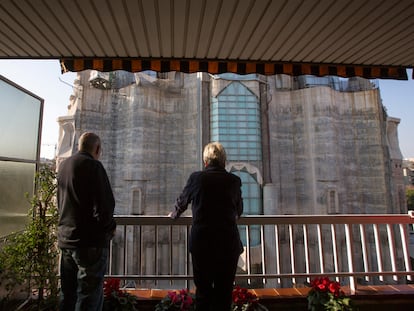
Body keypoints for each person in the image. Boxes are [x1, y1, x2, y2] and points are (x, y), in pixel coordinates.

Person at [169, 142, 243, 311]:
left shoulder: (197, 178)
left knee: (203, 293)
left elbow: (182, 201)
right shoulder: (234, 181)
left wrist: (174, 214)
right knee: (224, 294)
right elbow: (239, 210)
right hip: (227, 244)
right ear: (224, 161)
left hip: (203, 244)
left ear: (206, 161)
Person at [57, 132, 116, 311]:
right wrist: (110, 229)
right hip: (89, 243)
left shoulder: (64, 165)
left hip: (66, 240)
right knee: (89, 295)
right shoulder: (93, 166)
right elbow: (105, 205)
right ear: (97, 149)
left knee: (68, 294)